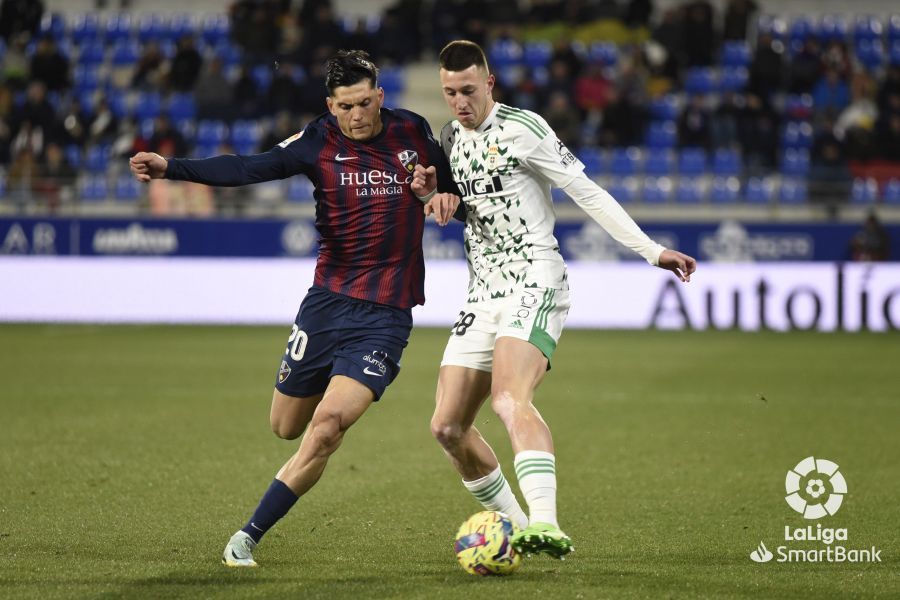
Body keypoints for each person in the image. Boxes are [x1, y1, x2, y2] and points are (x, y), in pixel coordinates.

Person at [129, 50, 461, 568]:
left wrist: (443, 198)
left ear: (379, 96)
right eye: (345, 106)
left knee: (326, 427)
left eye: (365, 102)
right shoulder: (316, 141)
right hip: (325, 305)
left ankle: (248, 536)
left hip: (386, 315)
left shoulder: (414, 133)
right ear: (331, 106)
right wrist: (172, 167)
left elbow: (450, 191)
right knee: (285, 425)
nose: (357, 115)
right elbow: (248, 167)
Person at [411, 40, 696, 559]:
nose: (459, 102)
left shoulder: (525, 128)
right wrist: (431, 197)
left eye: (469, 90)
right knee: (447, 426)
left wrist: (651, 251)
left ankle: (547, 521)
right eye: (450, 92)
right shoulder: (449, 138)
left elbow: (586, 191)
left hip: (534, 279)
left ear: (490, 84)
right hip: (483, 290)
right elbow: (444, 196)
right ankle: (519, 528)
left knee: (507, 398)